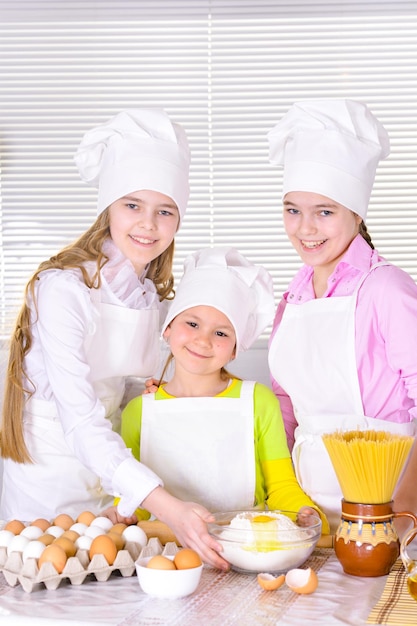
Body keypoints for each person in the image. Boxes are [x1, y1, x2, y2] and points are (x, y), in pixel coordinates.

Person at [0, 108, 228, 570]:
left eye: (165, 211)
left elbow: (120, 389)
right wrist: (168, 507)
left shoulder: (149, 296)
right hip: (50, 468)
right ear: (108, 208)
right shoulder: (65, 289)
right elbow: (80, 419)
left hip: (109, 471)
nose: (148, 224)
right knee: (48, 577)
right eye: (132, 206)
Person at [267, 98, 417, 534]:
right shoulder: (291, 300)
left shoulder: (387, 289)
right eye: (292, 210)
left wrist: (406, 510)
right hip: (309, 515)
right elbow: (286, 408)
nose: (305, 229)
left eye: (324, 212)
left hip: (387, 511)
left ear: (356, 213)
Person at [112, 247, 329, 533]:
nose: (203, 340)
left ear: (236, 348)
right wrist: (122, 513)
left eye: (221, 333)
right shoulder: (138, 411)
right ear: (168, 328)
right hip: (167, 546)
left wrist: (304, 512)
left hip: (243, 543)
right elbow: (136, 500)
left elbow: (280, 486)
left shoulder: (257, 402)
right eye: (192, 324)